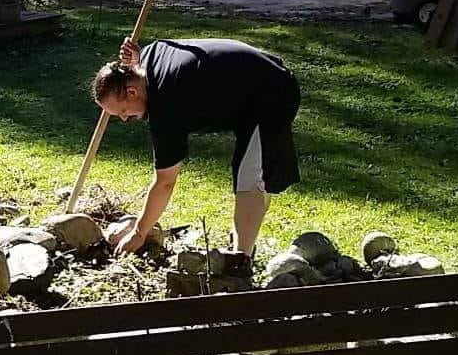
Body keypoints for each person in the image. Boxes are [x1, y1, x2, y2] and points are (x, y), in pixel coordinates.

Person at [92, 35, 301, 262]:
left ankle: (240, 263)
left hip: (273, 93)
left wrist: (139, 232)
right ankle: (243, 244)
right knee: (253, 171)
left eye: (122, 111)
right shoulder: (148, 58)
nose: (124, 119)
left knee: (250, 177)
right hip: (258, 83)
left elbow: (165, 182)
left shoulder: (166, 102)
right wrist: (138, 57)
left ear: (132, 92)